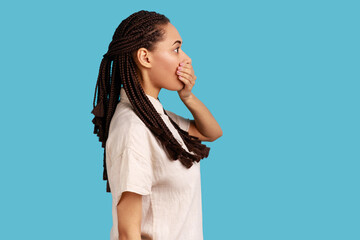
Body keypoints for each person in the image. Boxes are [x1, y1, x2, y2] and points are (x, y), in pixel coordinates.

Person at [91, 10, 223, 240]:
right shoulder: (133, 128)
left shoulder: (157, 118)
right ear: (145, 57)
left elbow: (210, 132)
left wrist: (188, 97)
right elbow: (127, 234)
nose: (186, 58)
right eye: (176, 49)